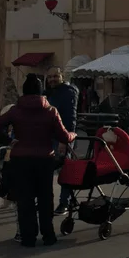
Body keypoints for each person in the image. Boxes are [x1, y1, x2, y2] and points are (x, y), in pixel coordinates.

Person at [0, 74, 75, 247]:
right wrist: (73, 135)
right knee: (45, 198)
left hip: (20, 159)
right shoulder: (50, 111)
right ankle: (48, 235)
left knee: (25, 199)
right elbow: (64, 136)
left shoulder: (15, 110)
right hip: (44, 160)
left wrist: (8, 141)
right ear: (41, 91)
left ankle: (28, 237)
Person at [46, 66, 80, 217]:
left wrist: (64, 140)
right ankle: (50, 201)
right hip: (50, 137)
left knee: (65, 170)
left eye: (55, 76)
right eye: (50, 77)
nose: (52, 79)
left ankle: (64, 202)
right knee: (48, 169)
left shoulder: (68, 92)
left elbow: (70, 118)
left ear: (62, 77)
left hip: (62, 138)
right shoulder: (50, 92)